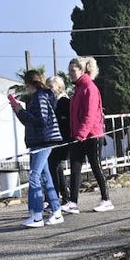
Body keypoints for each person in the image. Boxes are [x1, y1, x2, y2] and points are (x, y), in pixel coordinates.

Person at [7, 70, 63, 228]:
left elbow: (41, 121)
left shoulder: (39, 97)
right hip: (41, 140)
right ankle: (56, 211)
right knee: (45, 176)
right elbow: (32, 120)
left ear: (28, 84)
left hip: (43, 140)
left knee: (34, 176)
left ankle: (37, 214)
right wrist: (20, 111)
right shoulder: (42, 96)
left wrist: (20, 111)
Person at [67, 56, 114, 212]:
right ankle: (72, 202)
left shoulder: (89, 88)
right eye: (69, 71)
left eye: (73, 70)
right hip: (79, 136)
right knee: (75, 167)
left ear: (82, 70)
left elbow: (90, 114)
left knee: (96, 166)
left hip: (92, 136)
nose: (70, 74)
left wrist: (81, 134)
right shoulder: (78, 88)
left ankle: (106, 199)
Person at [47, 75, 74, 211]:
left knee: (54, 167)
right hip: (55, 138)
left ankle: (58, 197)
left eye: (51, 86)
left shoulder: (63, 101)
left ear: (58, 86)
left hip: (61, 139)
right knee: (56, 168)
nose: (49, 89)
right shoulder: (52, 101)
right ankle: (63, 196)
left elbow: (64, 120)